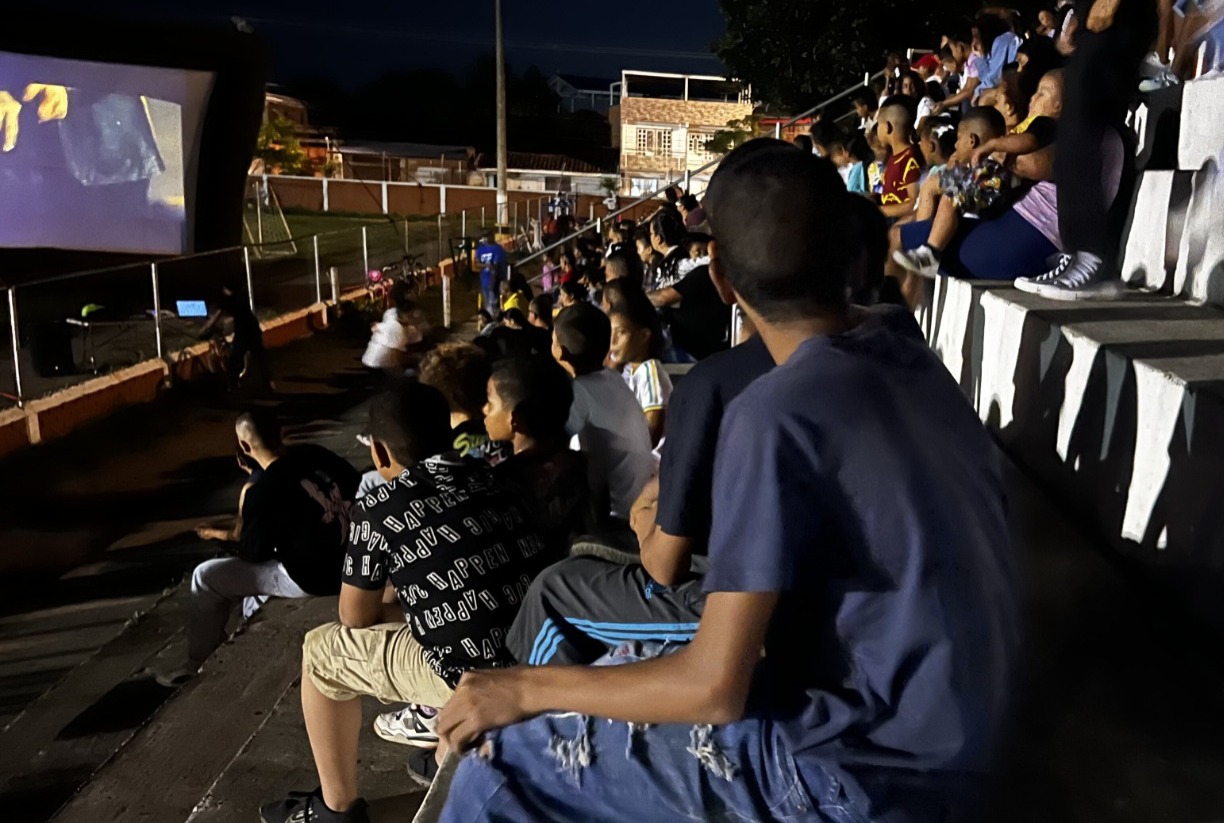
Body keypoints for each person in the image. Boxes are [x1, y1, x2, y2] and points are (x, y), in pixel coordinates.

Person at [433, 139, 1019, 823]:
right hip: (966, 738)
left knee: (494, 770)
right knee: (618, 663)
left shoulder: (773, 411)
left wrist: (521, 689)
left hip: (865, 776)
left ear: (720, 276)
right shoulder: (906, 348)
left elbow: (714, 687)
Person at [261, 382, 551, 823]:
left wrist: (402, 603)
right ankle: (442, 753)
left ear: (379, 453)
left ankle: (335, 809)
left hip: (477, 674)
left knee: (320, 652)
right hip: (540, 655)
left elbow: (353, 617)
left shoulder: (379, 504)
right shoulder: (499, 478)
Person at [158, 411, 360, 686]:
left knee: (205, 577)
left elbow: (253, 553)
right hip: (351, 557)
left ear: (244, 446)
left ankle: (196, 664)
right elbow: (355, 482)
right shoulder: (314, 454)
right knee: (256, 586)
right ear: (282, 432)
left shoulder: (263, 490)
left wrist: (225, 532)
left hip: (314, 578)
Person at [1014, 0, 1157, 299]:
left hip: (1116, 25)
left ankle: (1093, 258)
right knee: (1072, 137)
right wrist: (1075, 16)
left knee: (1083, 133)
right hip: (1095, 29)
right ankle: (1077, 253)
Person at [552, 302, 653, 524]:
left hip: (618, 513)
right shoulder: (613, 378)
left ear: (561, 352)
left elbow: (555, 445)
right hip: (639, 497)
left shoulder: (580, 390)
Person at [608, 289, 672, 448]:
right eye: (611, 333)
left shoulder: (650, 372)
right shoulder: (633, 372)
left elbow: (651, 434)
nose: (613, 342)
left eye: (621, 333)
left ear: (644, 336)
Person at [200, 283, 270, 391]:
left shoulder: (232, 299)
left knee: (237, 359)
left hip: (245, 333)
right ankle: (266, 383)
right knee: (259, 358)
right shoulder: (239, 297)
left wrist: (206, 329)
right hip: (251, 330)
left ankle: (234, 386)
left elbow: (218, 315)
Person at [361, 281, 424, 372]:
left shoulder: (390, 315)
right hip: (384, 365)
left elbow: (375, 327)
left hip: (372, 360)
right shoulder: (400, 325)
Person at [877, 97, 924, 219]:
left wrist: (880, 211)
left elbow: (914, 203)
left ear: (887, 127)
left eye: (878, 124)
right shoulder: (892, 157)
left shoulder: (909, 158)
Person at [475, 233, 508, 314]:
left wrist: (492, 283)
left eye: (488, 235)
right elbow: (477, 263)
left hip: (495, 282)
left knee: (494, 304)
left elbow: (496, 266)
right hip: (484, 281)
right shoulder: (480, 249)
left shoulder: (498, 249)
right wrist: (486, 265)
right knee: (487, 305)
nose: (486, 238)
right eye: (485, 236)